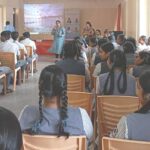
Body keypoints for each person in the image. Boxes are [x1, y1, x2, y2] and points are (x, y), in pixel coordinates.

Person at [19, 65, 93, 140]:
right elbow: (89, 138)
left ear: (40, 87)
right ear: (64, 88)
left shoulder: (26, 113)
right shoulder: (81, 116)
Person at [111, 71, 150, 141]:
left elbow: (112, 143)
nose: (136, 92)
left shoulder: (127, 122)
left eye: (138, 87)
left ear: (146, 95)